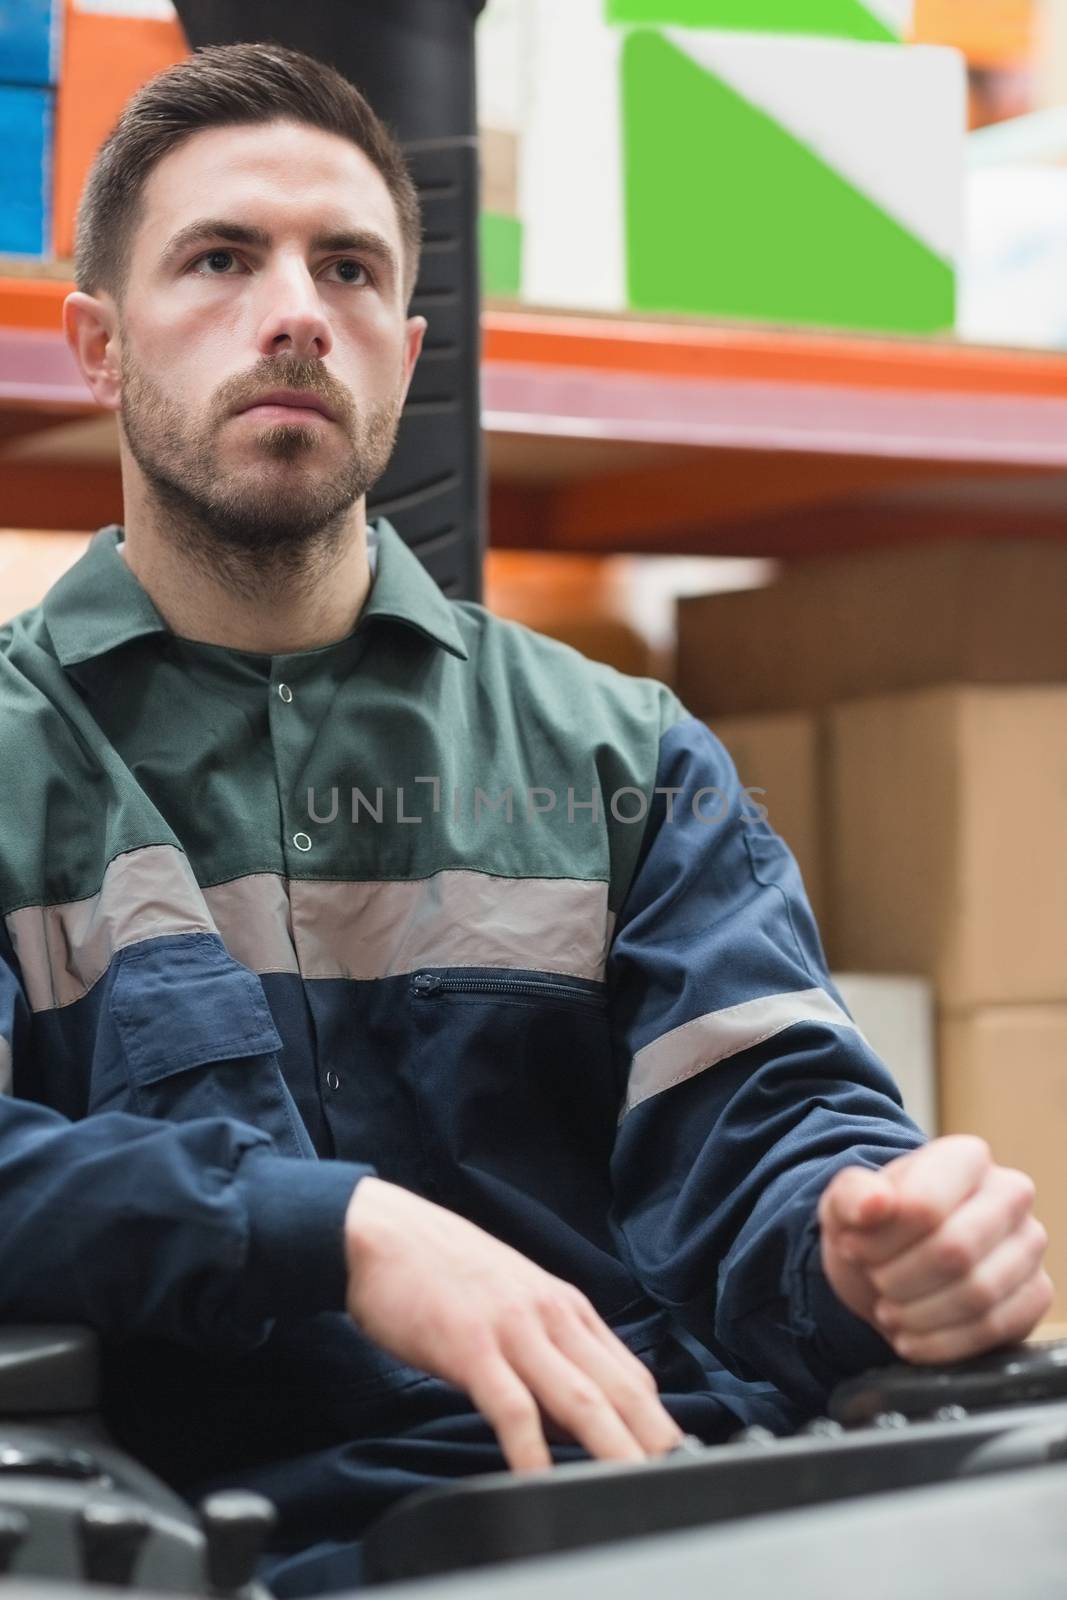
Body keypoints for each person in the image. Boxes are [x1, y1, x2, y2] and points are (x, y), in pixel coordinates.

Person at [0, 40, 1051, 1597]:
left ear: (406, 352)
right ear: (95, 342)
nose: (294, 311)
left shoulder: (622, 751)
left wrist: (870, 1240)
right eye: (220, 258)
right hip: (244, 1544)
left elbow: (768, 1125)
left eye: (346, 268)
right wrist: (333, 1228)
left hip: (669, 1512)